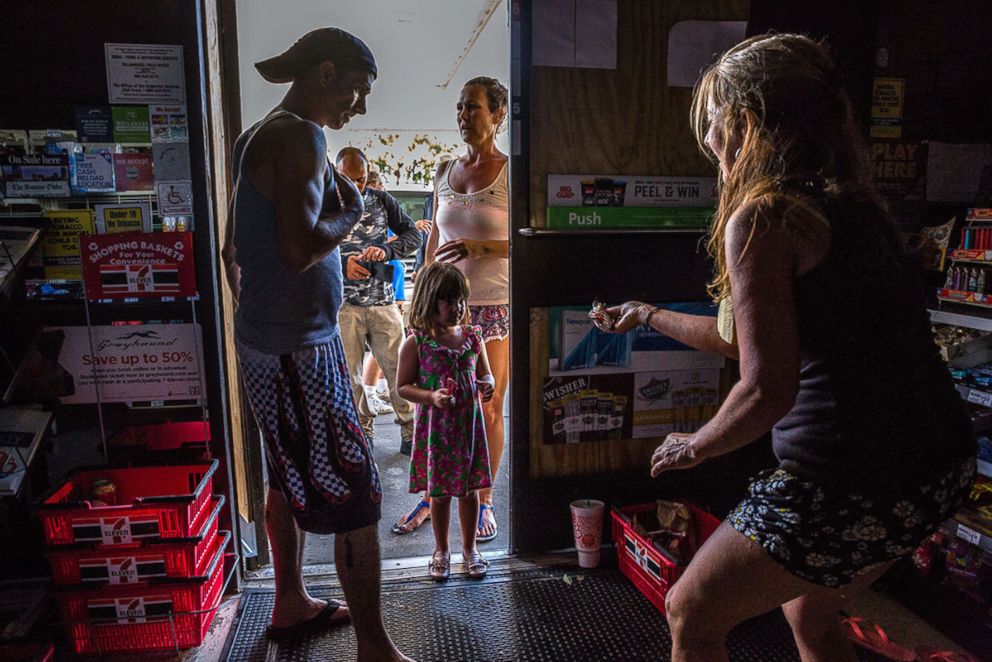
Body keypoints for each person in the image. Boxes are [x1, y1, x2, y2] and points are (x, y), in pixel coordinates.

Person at [600, 33, 976, 661]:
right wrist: (647, 314)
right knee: (811, 612)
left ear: (744, 125)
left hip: (850, 481)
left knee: (690, 610)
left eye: (715, 125)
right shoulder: (854, 206)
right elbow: (737, 341)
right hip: (938, 468)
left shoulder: (765, 216)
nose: (711, 144)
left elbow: (766, 388)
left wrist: (694, 445)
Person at [220, 27, 411, 662]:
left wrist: (259, 319)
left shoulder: (258, 134)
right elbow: (301, 249)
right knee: (355, 490)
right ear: (324, 74)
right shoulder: (299, 136)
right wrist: (350, 213)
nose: (359, 108)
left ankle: (290, 600)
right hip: (300, 353)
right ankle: (374, 648)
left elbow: (233, 252)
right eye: (355, 91)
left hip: (269, 346)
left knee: (284, 470)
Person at [394, 77, 509, 542]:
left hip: (491, 304)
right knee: (432, 407)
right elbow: (433, 246)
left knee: (487, 405)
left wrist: (481, 247)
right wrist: (419, 305)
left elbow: (527, 243)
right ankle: (431, 493)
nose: (464, 116)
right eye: (460, 108)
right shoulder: (443, 171)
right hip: (441, 313)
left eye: (475, 108)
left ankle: (483, 499)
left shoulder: (509, 173)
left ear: (498, 114)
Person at [395, 262, 495, 580]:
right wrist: (432, 397)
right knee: (439, 494)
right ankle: (441, 550)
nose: (457, 308)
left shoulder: (473, 337)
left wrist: (488, 383)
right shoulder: (417, 343)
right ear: (428, 300)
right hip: (437, 433)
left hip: (467, 430)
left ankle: (470, 550)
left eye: (461, 300)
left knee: (469, 491)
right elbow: (403, 387)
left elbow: (485, 371)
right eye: (448, 301)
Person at [336, 148, 421, 453]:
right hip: (344, 306)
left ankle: (410, 431)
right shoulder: (322, 203)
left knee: (399, 369)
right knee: (351, 373)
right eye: (347, 179)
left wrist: (387, 251)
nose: (355, 187)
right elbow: (308, 250)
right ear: (335, 173)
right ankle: (363, 432)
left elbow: (413, 236)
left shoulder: (382, 200)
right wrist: (342, 262)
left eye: (360, 180)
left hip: (383, 301)